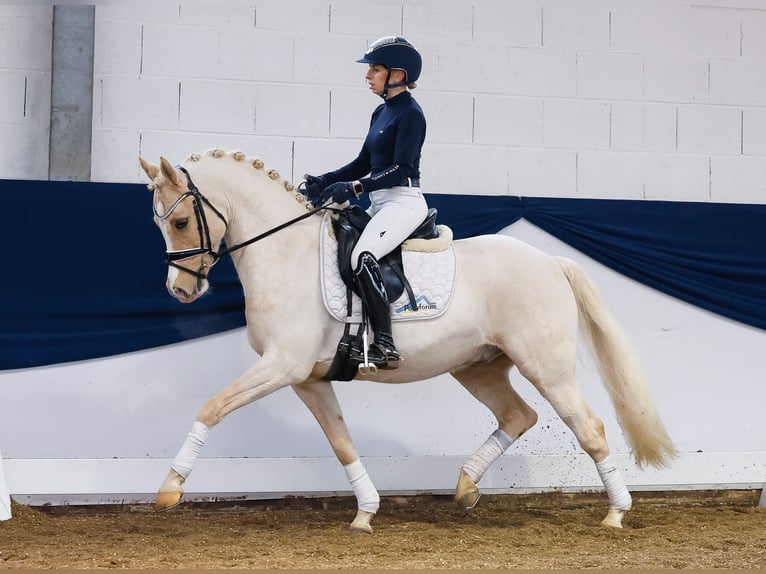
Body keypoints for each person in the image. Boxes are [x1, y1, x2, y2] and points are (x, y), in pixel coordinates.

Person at [304, 36, 428, 370]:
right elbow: (363, 161)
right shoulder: (381, 111)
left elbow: (400, 168)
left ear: (398, 74)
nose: (368, 75)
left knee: (363, 255)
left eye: (375, 69)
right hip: (379, 201)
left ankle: (385, 345)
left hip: (403, 202)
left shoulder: (411, 115)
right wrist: (326, 180)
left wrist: (356, 186)